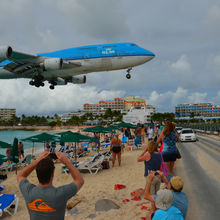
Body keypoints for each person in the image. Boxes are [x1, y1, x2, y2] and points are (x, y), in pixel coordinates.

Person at [17, 151, 84, 220]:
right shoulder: (60, 194)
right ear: (52, 174)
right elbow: (79, 180)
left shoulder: (29, 192)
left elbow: (21, 176)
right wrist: (66, 162)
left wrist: (37, 161)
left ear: (37, 174)